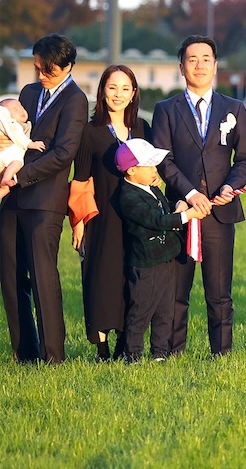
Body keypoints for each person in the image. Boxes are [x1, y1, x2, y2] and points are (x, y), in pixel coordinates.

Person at [151, 35, 246, 357]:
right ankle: (172, 351)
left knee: (219, 291)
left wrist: (230, 187)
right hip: (180, 210)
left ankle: (221, 353)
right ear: (181, 66)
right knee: (176, 290)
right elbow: (163, 160)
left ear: (215, 65)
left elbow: (245, 159)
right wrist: (191, 193)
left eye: (206, 58)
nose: (199, 65)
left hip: (220, 214)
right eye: (192, 59)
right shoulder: (166, 109)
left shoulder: (233, 108)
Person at [0, 33, 88, 364]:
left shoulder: (76, 100)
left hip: (45, 199)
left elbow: (64, 153)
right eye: (37, 67)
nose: (40, 75)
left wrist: (19, 176)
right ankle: (24, 353)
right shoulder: (28, 92)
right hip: (11, 198)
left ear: (67, 66)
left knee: (42, 277)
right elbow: (16, 136)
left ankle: (53, 356)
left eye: (47, 69)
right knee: (10, 275)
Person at [71, 65, 151, 361]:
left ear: (133, 94)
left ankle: (126, 342)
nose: (118, 94)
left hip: (137, 216)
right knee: (102, 277)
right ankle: (101, 348)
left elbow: (152, 171)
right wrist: (79, 224)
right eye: (112, 87)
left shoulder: (142, 128)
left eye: (125, 88)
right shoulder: (89, 132)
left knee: (133, 278)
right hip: (103, 217)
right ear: (102, 90)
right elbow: (80, 180)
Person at [115, 138, 205, 363]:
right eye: (151, 166)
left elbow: (164, 211)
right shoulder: (128, 196)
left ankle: (160, 354)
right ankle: (132, 355)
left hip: (167, 258)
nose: (156, 170)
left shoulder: (151, 188)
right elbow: (156, 220)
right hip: (146, 264)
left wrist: (178, 207)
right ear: (132, 170)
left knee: (166, 310)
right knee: (141, 310)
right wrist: (187, 216)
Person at [0, 98, 46, 202]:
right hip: (6, 155)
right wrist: (32, 144)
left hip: (11, 159)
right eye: (15, 110)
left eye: (21, 107)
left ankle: (5, 179)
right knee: (16, 165)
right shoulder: (13, 125)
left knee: (7, 186)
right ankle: (5, 178)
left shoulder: (23, 125)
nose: (21, 110)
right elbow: (21, 138)